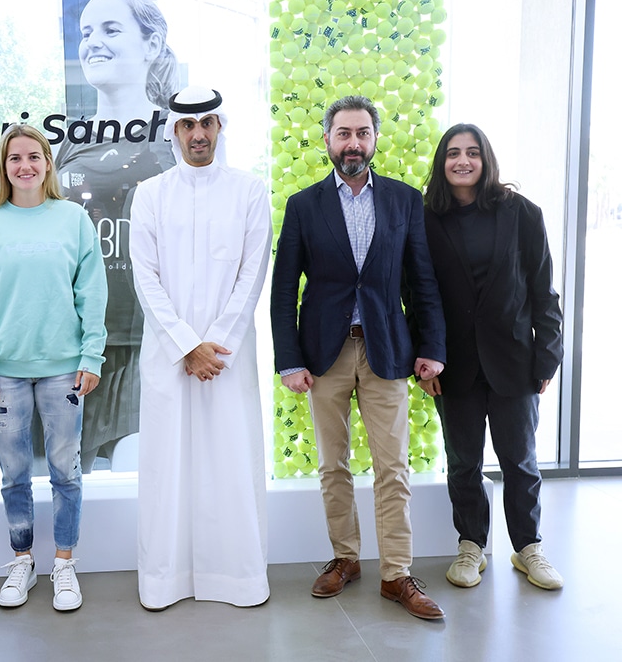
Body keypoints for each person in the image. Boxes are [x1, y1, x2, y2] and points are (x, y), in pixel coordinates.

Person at [270, 95, 448, 620]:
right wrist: (289, 359)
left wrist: (432, 347)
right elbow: (284, 292)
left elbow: (422, 281)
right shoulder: (303, 206)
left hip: (388, 350)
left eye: (362, 133)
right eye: (343, 133)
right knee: (333, 465)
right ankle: (345, 559)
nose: (353, 143)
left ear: (374, 139)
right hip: (323, 353)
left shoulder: (403, 201)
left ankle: (396, 574)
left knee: (393, 467)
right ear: (327, 140)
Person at [0, 124, 108, 612]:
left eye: (34, 156)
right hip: (4, 373)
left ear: (48, 163)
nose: (25, 166)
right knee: (14, 472)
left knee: (67, 471)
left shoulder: (74, 219)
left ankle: (64, 563)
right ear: (4, 166)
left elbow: (93, 292)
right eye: (15, 158)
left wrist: (91, 355)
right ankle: (22, 560)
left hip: (65, 368)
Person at [130, 86, 272, 610]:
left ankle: (236, 579)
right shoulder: (150, 193)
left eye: (207, 124)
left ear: (219, 128)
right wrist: (187, 346)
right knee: (169, 467)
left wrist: (217, 345)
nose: (198, 134)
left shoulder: (249, 191)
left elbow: (252, 274)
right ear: (173, 132)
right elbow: (145, 279)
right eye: (187, 126)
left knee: (229, 460)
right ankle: (166, 581)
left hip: (227, 360)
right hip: (171, 360)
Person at [419, 124, 564, 590]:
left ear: (486, 160)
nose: (463, 161)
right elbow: (418, 295)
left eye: (473, 153)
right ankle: (471, 547)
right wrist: (424, 358)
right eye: (453, 153)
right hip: (452, 364)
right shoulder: (426, 219)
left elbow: (544, 291)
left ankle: (529, 549)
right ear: (442, 163)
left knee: (520, 461)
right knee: (463, 462)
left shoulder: (522, 213)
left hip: (515, 360)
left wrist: (547, 358)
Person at [44, 0, 178, 472]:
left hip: (149, 343)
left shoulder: (176, 136)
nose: (93, 42)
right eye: (85, 33)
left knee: (135, 480)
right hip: (73, 345)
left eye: (111, 29)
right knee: (70, 487)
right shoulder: (67, 146)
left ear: (152, 44)